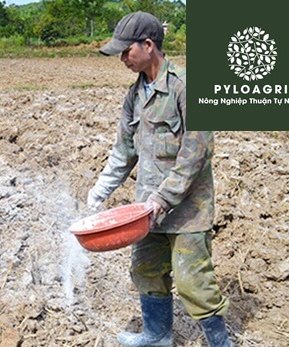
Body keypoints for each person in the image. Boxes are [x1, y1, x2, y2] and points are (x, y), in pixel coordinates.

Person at [87, 11, 233, 347]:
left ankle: (220, 343)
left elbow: (196, 153)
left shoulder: (187, 87)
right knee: (146, 271)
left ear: (149, 45)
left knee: (193, 282)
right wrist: (100, 192)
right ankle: (157, 336)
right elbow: (124, 151)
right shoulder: (134, 96)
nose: (122, 58)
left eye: (127, 51)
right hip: (146, 210)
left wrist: (161, 200)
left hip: (186, 210)